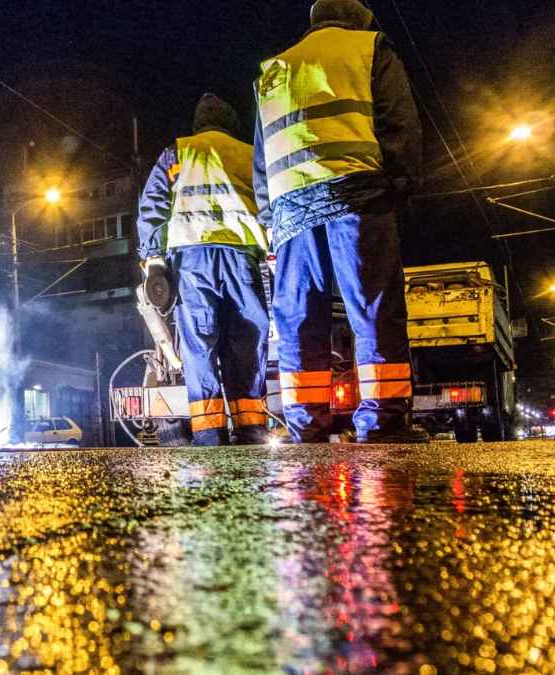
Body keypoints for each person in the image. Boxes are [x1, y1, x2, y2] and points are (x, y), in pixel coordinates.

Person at [253, 0, 426, 443]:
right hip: (357, 193)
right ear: (358, 16)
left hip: (290, 210)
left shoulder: (274, 68)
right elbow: (399, 123)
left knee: (297, 318)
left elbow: (261, 160)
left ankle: (306, 425)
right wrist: (399, 184)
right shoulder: (369, 48)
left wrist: (272, 219)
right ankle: (382, 422)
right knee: (372, 307)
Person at [137, 93, 272, 446]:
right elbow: (269, 201)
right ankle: (251, 429)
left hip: (191, 262)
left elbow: (152, 206)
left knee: (199, 346)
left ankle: (209, 433)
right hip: (241, 257)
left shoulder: (177, 153)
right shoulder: (247, 153)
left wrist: (153, 261)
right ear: (231, 123)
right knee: (247, 342)